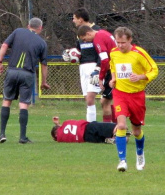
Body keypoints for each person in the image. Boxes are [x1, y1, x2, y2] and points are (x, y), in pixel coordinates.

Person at [108, 26, 158, 172]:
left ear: (130, 40)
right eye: (118, 42)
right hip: (120, 94)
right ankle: (122, 161)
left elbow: (154, 69)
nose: (120, 45)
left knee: (136, 131)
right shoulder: (113, 52)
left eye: (123, 42)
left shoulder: (139, 53)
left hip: (137, 95)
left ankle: (140, 153)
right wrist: (113, 79)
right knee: (121, 125)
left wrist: (140, 77)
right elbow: (113, 66)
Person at [0, 17, 50, 144]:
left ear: (28, 25)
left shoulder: (18, 31)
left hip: (12, 71)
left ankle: (2, 134)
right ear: (40, 28)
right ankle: (22, 137)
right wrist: (43, 81)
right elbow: (44, 64)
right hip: (27, 74)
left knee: (7, 101)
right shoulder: (42, 43)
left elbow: (4, 45)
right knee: (24, 104)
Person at [62, 8, 102, 122]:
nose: (73, 21)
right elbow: (79, 50)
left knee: (91, 99)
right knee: (88, 100)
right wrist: (70, 53)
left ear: (80, 19)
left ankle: (96, 126)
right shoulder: (79, 33)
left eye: (74, 18)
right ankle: (90, 127)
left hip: (94, 67)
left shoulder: (96, 30)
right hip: (83, 67)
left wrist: (98, 68)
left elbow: (102, 51)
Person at [77, 25, 117, 123]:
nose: (85, 41)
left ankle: (115, 131)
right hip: (114, 68)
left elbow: (104, 59)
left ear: (88, 33)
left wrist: (100, 76)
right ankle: (113, 130)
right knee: (105, 101)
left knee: (109, 102)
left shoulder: (97, 39)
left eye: (85, 39)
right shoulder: (104, 32)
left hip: (115, 70)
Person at [51, 116, 126, 144]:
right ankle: (121, 132)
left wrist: (58, 125)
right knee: (114, 127)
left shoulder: (60, 139)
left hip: (86, 138)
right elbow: (67, 125)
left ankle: (112, 139)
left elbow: (62, 132)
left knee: (102, 140)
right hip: (87, 127)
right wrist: (58, 124)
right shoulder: (65, 124)